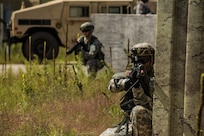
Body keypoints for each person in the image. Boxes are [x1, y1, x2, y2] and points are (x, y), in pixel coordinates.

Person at [100, 42, 155, 136]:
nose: (141, 65)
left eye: (144, 61)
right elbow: (112, 86)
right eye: (138, 60)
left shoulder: (157, 81)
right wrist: (127, 83)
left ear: (152, 60)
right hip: (132, 123)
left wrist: (137, 87)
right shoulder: (132, 74)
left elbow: (144, 104)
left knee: (138, 111)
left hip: (152, 122)